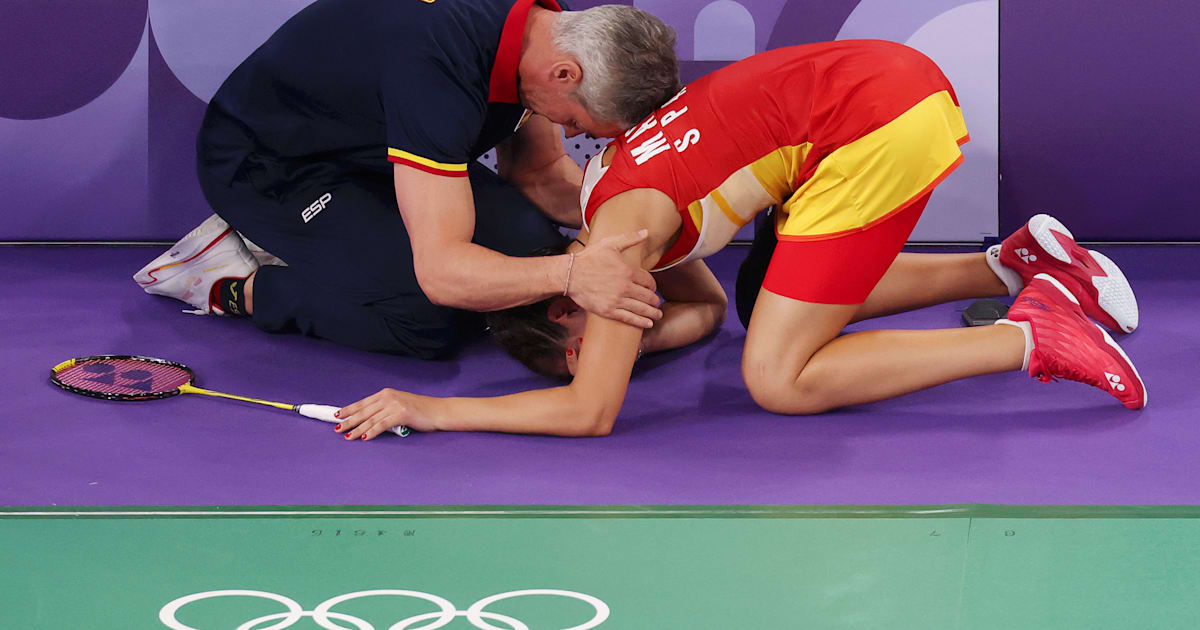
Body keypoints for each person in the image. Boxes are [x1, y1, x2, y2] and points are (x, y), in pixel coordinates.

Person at [333, 40, 1146, 440]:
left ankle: (1029, 336)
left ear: (563, 304)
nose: (608, 348)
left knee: (779, 376)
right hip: (872, 88)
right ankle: (1014, 266)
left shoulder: (613, 251)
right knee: (764, 302)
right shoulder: (612, 214)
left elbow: (589, 413)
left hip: (873, 123)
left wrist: (432, 411)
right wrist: (631, 340)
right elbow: (707, 310)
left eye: (574, 347)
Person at [133, 0, 679, 358]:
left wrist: (649, 216)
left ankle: (348, 248)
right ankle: (235, 283)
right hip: (273, 166)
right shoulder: (440, 71)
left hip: (374, 143)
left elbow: (539, 173)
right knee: (427, 318)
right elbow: (442, 274)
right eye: (579, 122)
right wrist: (574, 276)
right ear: (566, 75)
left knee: (530, 243)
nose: (569, 128)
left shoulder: (544, 31)